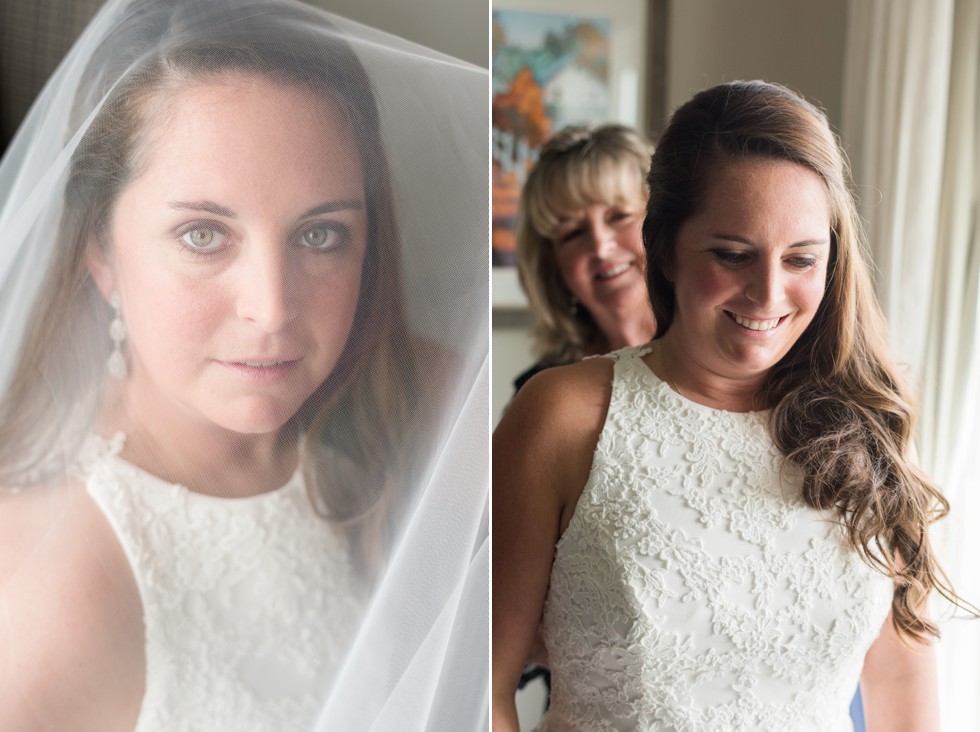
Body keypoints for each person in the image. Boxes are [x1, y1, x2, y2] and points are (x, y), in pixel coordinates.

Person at [0, 1, 488, 730]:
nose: (272, 307)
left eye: (320, 234)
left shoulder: (405, 424)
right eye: (204, 234)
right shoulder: (48, 588)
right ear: (101, 250)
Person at [493, 80, 966, 731]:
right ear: (663, 246)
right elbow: (483, 683)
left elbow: (897, 673)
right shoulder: (563, 416)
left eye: (801, 259)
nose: (768, 294)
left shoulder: (871, 428)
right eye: (733, 254)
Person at [513, 124, 656, 391]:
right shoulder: (536, 394)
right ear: (552, 264)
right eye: (573, 233)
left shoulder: (730, 360)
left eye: (620, 216)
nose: (600, 248)